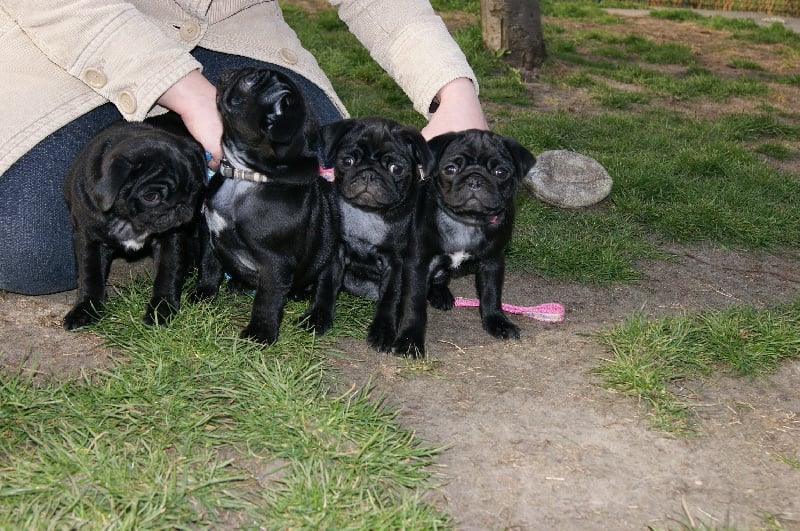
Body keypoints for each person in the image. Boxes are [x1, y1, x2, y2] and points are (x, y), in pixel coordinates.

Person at [0, 0, 488, 295]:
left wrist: (454, 92)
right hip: (69, 52)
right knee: (31, 252)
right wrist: (189, 97)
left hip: (238, 43)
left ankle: (194, 195)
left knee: (339, 218)